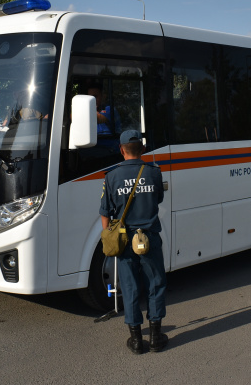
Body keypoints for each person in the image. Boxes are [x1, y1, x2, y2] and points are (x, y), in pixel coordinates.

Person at [99, 130, 168, 354]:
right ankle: (156, 337)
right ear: (143, 150)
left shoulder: (111, 177)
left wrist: (108, 235)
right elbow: (158, 198)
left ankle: (137, 341)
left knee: (129, 287)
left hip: (125, 240)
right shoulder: (154, 172)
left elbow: (105, 212)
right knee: (155, 283)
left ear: (121, 150)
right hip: (149, 237)